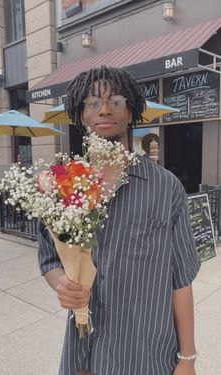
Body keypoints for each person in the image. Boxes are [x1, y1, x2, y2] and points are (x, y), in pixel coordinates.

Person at [37, 66, 200, 375]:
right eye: (93, 102)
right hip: (83, 356)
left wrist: (187, 358)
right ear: (80, 113)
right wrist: (62, 285)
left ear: (132, 110)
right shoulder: (61, 183)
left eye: (116, 101)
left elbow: (181, 280)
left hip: (146, 356)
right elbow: (48, 257)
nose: (104, 110)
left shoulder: (166, 188)